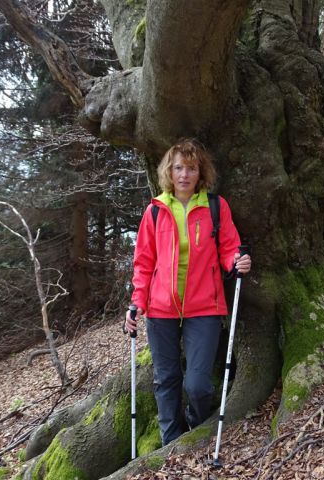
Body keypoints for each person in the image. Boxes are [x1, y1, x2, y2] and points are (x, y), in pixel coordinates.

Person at [124, 138, 251, 446]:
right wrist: (136, 303)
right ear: (169, 171)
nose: (184, 174)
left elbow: (228, 248)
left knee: (197, 385)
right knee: (166, 380)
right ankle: (171, 443)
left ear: (200, 172)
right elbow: (143, 263)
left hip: (205, 306)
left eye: (191, 168)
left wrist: (237, 260)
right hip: (160, 309)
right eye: (178, 167)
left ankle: (195, 428)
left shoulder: (215, 207)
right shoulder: (155, 211)